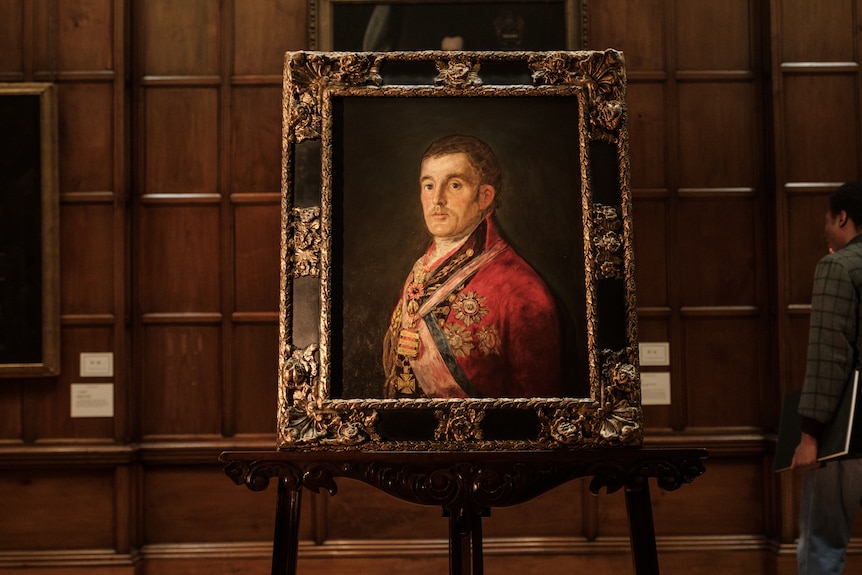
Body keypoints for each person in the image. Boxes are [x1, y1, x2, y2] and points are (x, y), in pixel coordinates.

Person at [382, 134, 563, 399]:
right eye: (429, 185)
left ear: (484, 196)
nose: (437, 199)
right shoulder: (420, 270)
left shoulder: (521, 291)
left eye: (454, 185)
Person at [792, 181, 862, 574]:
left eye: (828, 220)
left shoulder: (838, 267)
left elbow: (829, 356)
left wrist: (809, 436)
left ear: (842, 217)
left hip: (850, 433)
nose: (826, 229)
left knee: (822, 543)